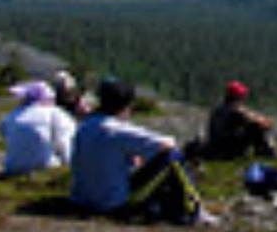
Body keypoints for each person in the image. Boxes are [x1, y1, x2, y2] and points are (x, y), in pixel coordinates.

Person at [70, 78, 210, 224]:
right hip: (110, 203)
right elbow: (167, 144)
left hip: (81, 199)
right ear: (126, 105)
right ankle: (194, 211)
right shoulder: (117, 129)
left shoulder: (84, 127)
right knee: (173, 156)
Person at [2, 80, 76, 176]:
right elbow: (64, 143)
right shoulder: (56, 114)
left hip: (12, 168)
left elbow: (5, 133)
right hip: (45, 167)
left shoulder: (12, 116)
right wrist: (69, 167)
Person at [195, 80, 275, 160]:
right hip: (228, 150)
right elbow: (262, 123)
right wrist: (265, 121)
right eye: (242, 95)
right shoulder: (235, 110)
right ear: (237, 97)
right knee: (255, 127)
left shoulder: (219, 109)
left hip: (215, 148)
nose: (244, 97)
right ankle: (265, 154)